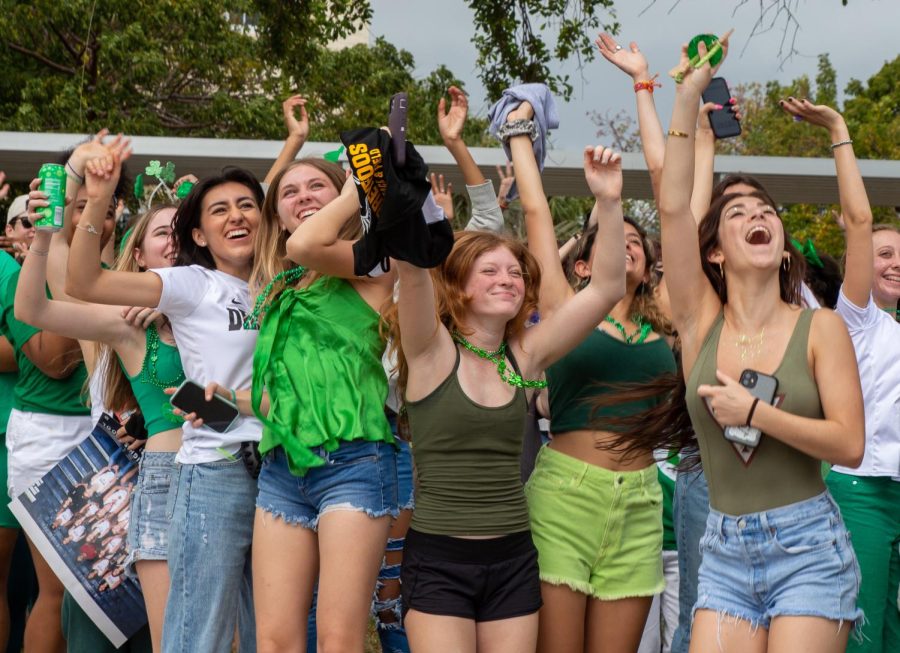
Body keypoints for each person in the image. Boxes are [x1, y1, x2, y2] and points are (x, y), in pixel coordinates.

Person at [650, 42, 864, 652]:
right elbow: (671, 204)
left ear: (781, 238)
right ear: (714, 249)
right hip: (723, 550)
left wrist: (757, 414)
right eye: (737, 211)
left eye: (764, 209)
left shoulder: (819, 329)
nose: (756, 215)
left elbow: (849, 444)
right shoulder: (698, 321)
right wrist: (688, 97)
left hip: (808, 549)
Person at [391, 119, 627, 653]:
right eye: (490, 270)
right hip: (439, 561)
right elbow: (411, 274)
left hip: (513, 559)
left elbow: (607, 287)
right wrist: (405, 198)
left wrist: (609, 203)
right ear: (460, 285)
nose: (508, 279)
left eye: (516, 273)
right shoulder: (430, 351)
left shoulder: (525, 356)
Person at [66, 140, 269, 652]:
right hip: (215, 473)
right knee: (196, 638)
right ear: (198, 233)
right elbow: (84, 280)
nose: (237, 215)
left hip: (281, 471)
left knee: (263, 637)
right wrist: (99, 198)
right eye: (219, 209)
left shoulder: (279, 287)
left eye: (247, 204)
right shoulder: (192, 283)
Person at [16, 181, 184, 651]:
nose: (175, 242)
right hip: (118, 492)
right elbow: (48, 292)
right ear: (140, 256)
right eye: (162, 234)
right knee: (98, 627)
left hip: (214, 487)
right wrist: (76, 193)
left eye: (184, 233)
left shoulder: (224, 314)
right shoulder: (119, 322)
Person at [244, 149, 400, 653]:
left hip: (354, 461)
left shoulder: (374, 264)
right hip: (282, 468)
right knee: (275, 640)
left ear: (343, 195)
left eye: (317, 187)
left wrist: (362, 185)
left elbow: (309, 243)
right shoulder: (279, 287)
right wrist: (231, 401)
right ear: (277, 213)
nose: (302, 197)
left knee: (338, 638)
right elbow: (279, 394)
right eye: (289, 193)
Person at [781, 99, 900, 653]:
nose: (895, 262)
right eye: (883, 253)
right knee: (864, 635)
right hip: (863, 492)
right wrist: (838, 130)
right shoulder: (856, 321)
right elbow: (858, 218)